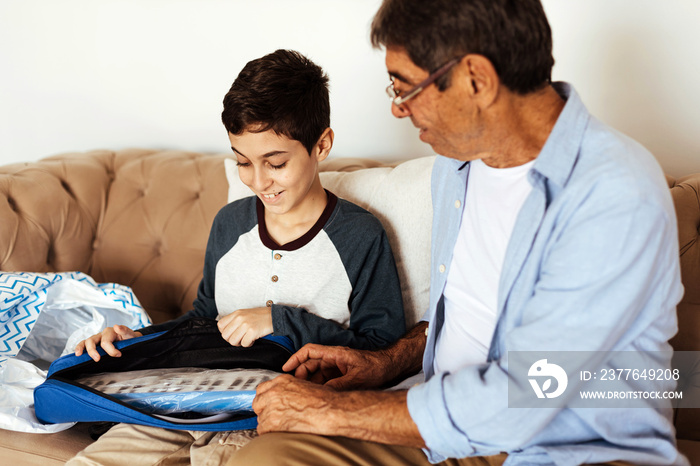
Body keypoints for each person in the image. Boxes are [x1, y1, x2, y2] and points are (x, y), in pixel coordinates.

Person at [229, 1, 688, 465]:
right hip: (442, 432)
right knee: (263, 458)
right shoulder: (458, 164)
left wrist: (332, 411)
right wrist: (389, 362)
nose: (396, 108)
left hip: (564, 449)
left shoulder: (612, 191)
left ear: (476, 79)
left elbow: (531, 391)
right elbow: (471, 317)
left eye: (406, 88)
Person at [67, 49, 406, 465]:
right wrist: (136, 340)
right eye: (243, 162)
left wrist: (280, 321)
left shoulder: (360, 235)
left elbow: (380, 354)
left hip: (271, 417)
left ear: (322, 145)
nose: (258, 181)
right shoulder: (230, 223)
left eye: (275, 163)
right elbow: (203, 322)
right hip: (183, 402)